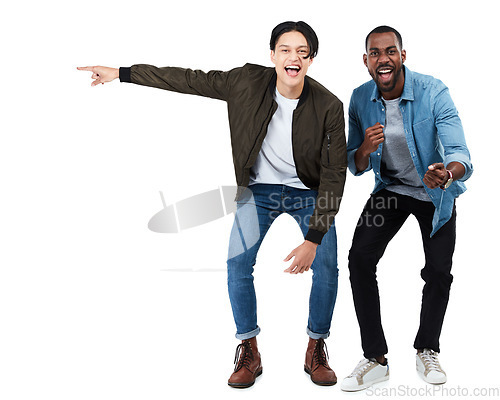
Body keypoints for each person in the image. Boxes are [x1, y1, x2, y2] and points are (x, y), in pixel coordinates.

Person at [78, 21, 347, 388]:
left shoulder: (329, 105)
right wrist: (122, 73)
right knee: (237, 265)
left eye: (302, 52)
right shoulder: (245, 83)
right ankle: (248, 348)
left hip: (309, 191)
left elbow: (334, 173)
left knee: (328, 265)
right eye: (285, 50)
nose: (293, 58)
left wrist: (313, 239)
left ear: (311, 60)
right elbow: (187, 79)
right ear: (272, 55)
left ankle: (316, 346)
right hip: (259, 190)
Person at [340, 25, 472, 391]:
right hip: (392, 190)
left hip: (435, 191)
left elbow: (461, 152)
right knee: (360, 258)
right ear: (367, 61)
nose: (384, 59)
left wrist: (447, 173)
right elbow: (354, 161)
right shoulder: (359, 99)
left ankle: (427, 348)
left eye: (390, 51)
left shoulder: (433, 91)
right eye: (375, 53)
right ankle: (375, 358)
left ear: (402, 56)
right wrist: (365, 148)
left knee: (438, 271)